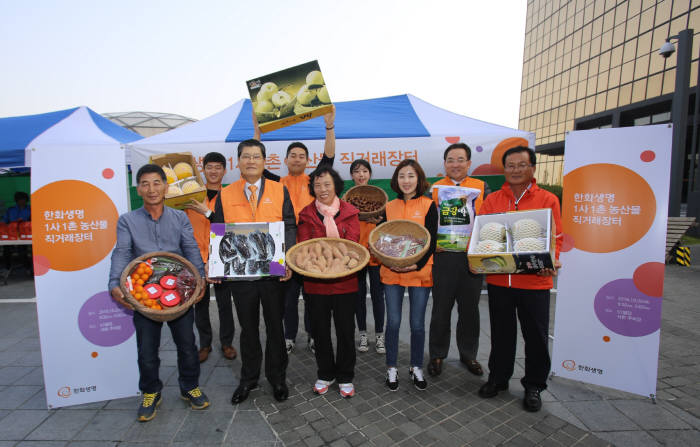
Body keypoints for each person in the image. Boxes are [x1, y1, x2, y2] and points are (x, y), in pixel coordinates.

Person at [108, 164, 209, 422]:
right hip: (144, 296)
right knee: (146, 349)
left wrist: (200, 279)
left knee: (187, 345)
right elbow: (121, 252)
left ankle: (189, 386)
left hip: (178, 292)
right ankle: (151, 391)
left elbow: (191, 249)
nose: (151, 189)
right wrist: (114, 283)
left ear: (166, 186)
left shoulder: (180, 218)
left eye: (156, 183)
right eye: (145, 183)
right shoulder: (127, 220)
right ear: (138, 188)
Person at [209, 139, 296, 405]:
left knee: (274, 329)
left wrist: (289, 260)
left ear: (264, 161)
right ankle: (248, 379)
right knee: (248, 329)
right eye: (246, 156)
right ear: (238, 162)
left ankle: (277, 378)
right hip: (240, 273)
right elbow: (219, 229)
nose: (250, 161)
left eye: (256, 157)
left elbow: (290, 225)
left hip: (272, 271)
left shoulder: (279, 190)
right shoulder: (225, 193)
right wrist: (216, 263)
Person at [476, 146, 562, 413]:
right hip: (501, 280)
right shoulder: (492, 200)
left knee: (536, 336)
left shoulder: (547, 199)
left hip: (535, 282)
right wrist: (477, 257)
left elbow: (556, 238)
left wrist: (552, 260)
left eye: (521, 165)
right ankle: (498, 379)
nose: (515, 170)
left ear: (532, 168)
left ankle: (534, 385)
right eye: (510, 165)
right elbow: (482, 233)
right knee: (502, 334)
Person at [276, 107, 336, 355]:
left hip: (313, 248)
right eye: (293, 155)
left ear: (308, 161)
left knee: (313, 298)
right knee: (287, 300)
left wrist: (329, 127)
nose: (298, 159)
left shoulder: (315, 182)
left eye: (302, 155)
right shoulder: (274, 183)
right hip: (285, 250)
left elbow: (329, 158)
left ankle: (313, 336)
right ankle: (288, 337)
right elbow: (253, 166)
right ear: (286, 160)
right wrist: (258, 133)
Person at [297, 167, 360, 398]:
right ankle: (325, 373)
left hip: (346, 282)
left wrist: (332, 254)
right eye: (317, 185)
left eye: (326, 184)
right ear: (312, 188)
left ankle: (345, 375)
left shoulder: (350, 212)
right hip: (316, 283)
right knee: (320, 330)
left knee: (345, 330)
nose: (322, 189)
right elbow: (305, 246)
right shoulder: (305, 214)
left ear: (336, 186)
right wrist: (321, 258)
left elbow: (353, 243)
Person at [427, 143, 488, 377]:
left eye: (460, 159)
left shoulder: (482, 187)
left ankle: (469, 354)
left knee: (470, 309)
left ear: (469, 163)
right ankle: (437, 354)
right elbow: (426, 223)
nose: (455, 164)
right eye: (451, 160)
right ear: (445, 163)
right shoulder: (434, 189)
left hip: (471, 258)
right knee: (441, 309)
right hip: (443, 258)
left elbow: (489, 219)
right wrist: (433, 245)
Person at [380, 159, 437, 391]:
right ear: (396, 180)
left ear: (419, 179)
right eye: (402, 176)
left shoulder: (428, 205)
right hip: (392, 272)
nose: (406, 180)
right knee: (392, 322)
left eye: (411, 175)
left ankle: (416, 367)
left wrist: (416, 265)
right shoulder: (389, 207)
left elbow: (431, 240)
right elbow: (381, 240)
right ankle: (391, 367)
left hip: (419, 273)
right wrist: (391, 261)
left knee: (417, 324)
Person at [184, 152, 237, 363]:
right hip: (196, 256)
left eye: (218, 167)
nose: (213, 171)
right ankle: (204, 344)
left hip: (222, 256)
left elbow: (230, 229)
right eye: (209, 167)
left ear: (224, 171)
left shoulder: (231, 196)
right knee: (200, 302)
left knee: (225, 303)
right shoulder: (190, 196)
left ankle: (227, 342)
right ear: (202, 170)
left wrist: (207, 213)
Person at [349, 159, 385, 354]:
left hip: (376, 254)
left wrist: (380, 222)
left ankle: (380, 335)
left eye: (364, 171)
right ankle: (362, 334)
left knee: (378, 296)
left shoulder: (379, 199)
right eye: (357, 171)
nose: (361, 174)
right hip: (356, 254)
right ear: (352, 176)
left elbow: (388, 227)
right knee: (358, 296)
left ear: (370, 174)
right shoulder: (346, 201)